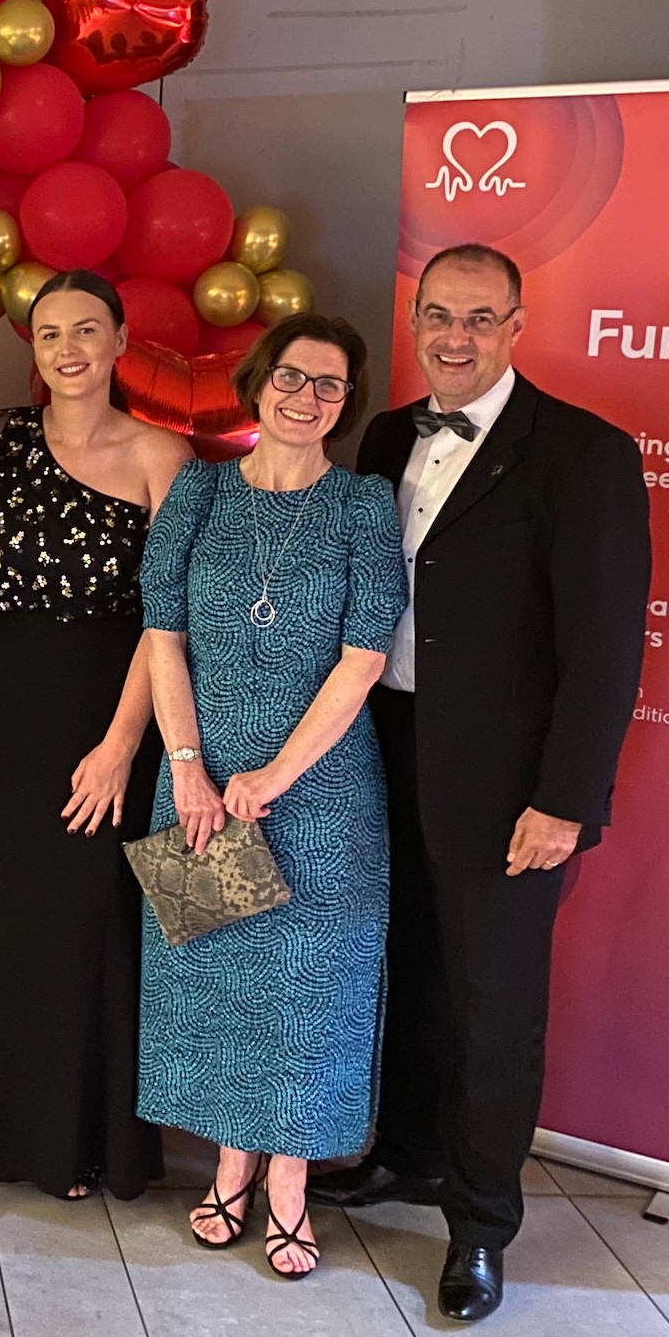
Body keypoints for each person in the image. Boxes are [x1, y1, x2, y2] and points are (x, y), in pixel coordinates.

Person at [313, 243, 649, 1322]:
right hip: (385, 747)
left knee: (492, 1004)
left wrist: (564, 799)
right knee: (404, 969)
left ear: (513, 326)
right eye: (436, 316)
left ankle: (479, 1223)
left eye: (477, 318)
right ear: (413, 319)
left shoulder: (580, 454)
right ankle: (404, 1154)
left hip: (506, 781)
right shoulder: (378, 436)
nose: (452, 338)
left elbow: (601, 651)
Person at [137, 313, 406, 1278]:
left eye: (330, 386)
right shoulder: (199, 492)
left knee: (309, 991)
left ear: (348, 401)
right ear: (259, 383)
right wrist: (188, 767)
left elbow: (365, 655)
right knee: (215, 983)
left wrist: (275, 777)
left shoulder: (366, 504)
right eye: (293, 378)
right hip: (197, 783)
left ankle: (290, 1183)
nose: (307, 399)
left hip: (322, 791)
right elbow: (161, 634)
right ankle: (229, 1165)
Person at [0, 271, 190, 1202]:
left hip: (110, 702)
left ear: (123, 341)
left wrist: (123, 742)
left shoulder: (164, 454)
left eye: (88, 329)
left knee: (91, 926)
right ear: (32, 350)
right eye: (50, 334)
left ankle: (80, 1139)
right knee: (2, 919)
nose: (69, 347)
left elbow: (170, 619)